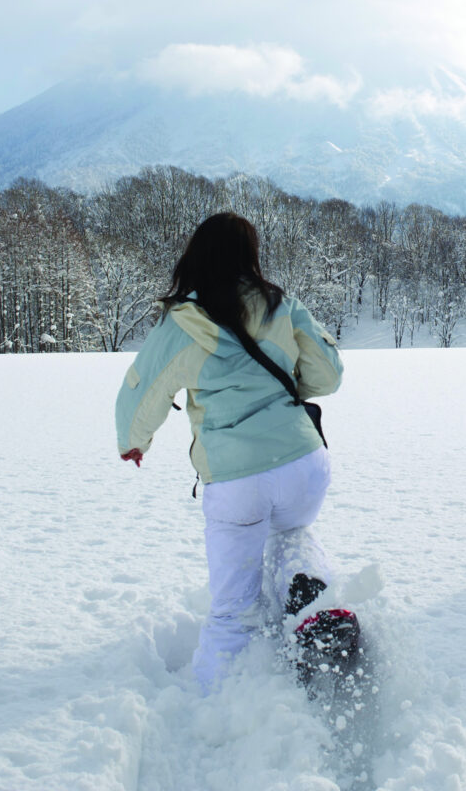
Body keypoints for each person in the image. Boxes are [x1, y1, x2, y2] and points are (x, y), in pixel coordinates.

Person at [114, 212, 348, 692]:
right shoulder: (280, 304)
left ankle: (217, 711)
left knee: (231, 611)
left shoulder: (185, 322)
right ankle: (312, 601)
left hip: (236, 478)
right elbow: (329, 374)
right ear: (250, 256)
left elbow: (144, 391)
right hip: (303, 463)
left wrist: (133, 443)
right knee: (291, 530)